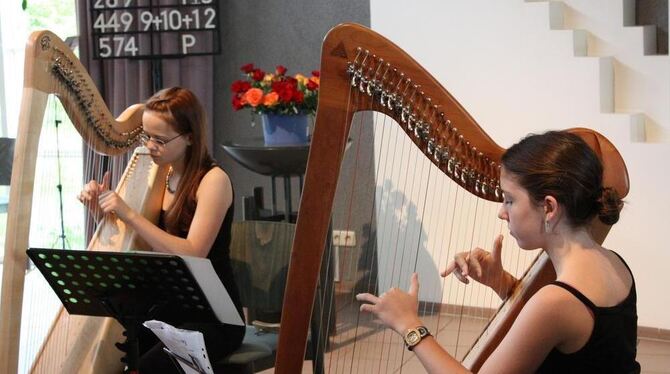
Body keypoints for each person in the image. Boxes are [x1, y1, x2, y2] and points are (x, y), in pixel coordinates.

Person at [356, 131, 640, 373]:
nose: (501, 212)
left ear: (549, 208)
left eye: (510, 200)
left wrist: (409, 324)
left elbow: (557, 314)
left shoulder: (555, 301)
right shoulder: (614, 263)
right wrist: (501, 282)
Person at [78, 87, 244, 373]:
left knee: (150, 366)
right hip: (168, 307)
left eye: (160, 139)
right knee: (117, 353)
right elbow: (142, 242)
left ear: (190, 137)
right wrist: (99, 209)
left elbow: (193, 253)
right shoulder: (161, 174)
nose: (149, 146)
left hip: (213, 315)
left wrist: (128, 213)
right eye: (146, 136)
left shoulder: (213, 181)